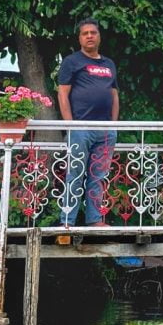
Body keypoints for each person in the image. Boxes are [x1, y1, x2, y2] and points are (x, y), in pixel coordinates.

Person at [58, 18, 120, 227]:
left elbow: (114, 94)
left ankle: (94, 221)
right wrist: (70, 125)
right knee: (75, 174)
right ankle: (67, 221)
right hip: (80, 128)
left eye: (93, 32)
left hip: (105, 131)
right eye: (85, 33)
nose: (90, 36)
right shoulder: (72, 62)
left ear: (99, 36)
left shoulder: (109, 64)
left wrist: (113, 125)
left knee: (98, 176)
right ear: (80, 38)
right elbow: (63, 94)